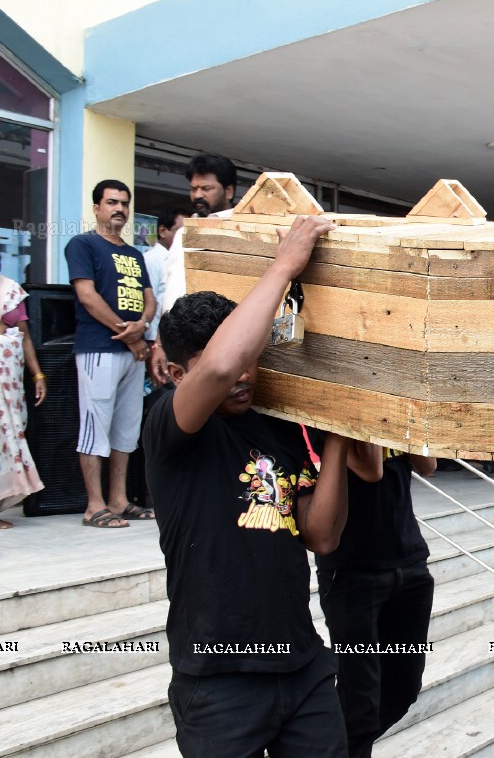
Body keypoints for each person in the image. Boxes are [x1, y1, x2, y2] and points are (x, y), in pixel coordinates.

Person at [144, 214, 352, 757]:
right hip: (218, 679)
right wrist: (283, 266)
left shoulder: (274, 424)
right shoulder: (169, 425)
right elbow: (218, 369)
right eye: (230, 359)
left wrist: (339, 433)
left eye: (251, 360)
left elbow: (322, 536)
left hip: (302, 665)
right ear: (174, 373)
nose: (243, 373)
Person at [315, 440, 437, 757]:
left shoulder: (393, 411)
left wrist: (404, 417)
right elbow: (372, 470)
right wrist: (377, 416)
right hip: (353, 570)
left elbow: (429, 465)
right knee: (360, 699)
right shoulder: (330, 417)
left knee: (404, 687)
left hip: (408, 560)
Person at [66, 180, 156, 529]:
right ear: (96, 208)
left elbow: (150, 298)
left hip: (132, 353)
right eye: (111, 202)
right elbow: (87, 296)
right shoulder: (82, 244)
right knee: (95, 428)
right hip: (98, 348)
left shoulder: (135, 254)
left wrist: (144, 323)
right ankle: (94, 505)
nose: (119, 208)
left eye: (124, 203)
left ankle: (118, 500)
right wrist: (129, 333)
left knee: (126, 430)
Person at [151, 154, 239, 385]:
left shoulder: (240, 228)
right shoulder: (183, 233)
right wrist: (160, 344)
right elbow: (171, 291)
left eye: (206, 188)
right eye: (194, 188)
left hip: (227, 340)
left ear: (228, 191)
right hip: (185, 346)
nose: (198, 195)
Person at [0, 274, 47, 528]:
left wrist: (37, 374)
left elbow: (25, 336)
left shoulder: (11, 290)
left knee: (8, 442)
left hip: (9, 379)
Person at [144, 206, 187, 349]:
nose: (185, 236)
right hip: (156, 342)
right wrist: (154, 343)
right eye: (181, 231)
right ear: (163, 231)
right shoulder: (151, 259)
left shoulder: (179, 258)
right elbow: (151, 302)